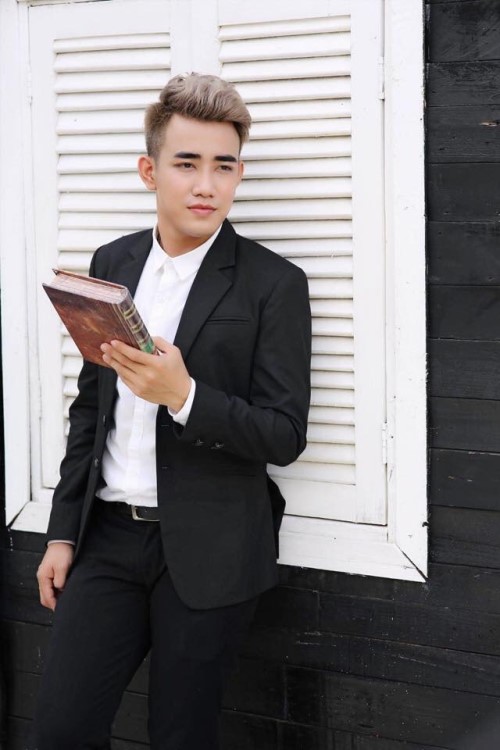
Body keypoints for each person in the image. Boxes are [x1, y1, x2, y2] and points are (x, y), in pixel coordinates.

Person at [33, 72, 311, 750]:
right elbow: (90, 409)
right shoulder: (113, 262)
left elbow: (284, 434)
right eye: (186, 164)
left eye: (224, 166)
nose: (206, 185)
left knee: (181, 737)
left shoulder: (274, 283)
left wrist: (184, 397)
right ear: (149, 171)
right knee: (62, 730)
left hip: (214, 548)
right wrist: (63, 533)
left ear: (239, 173)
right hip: (106, 540)